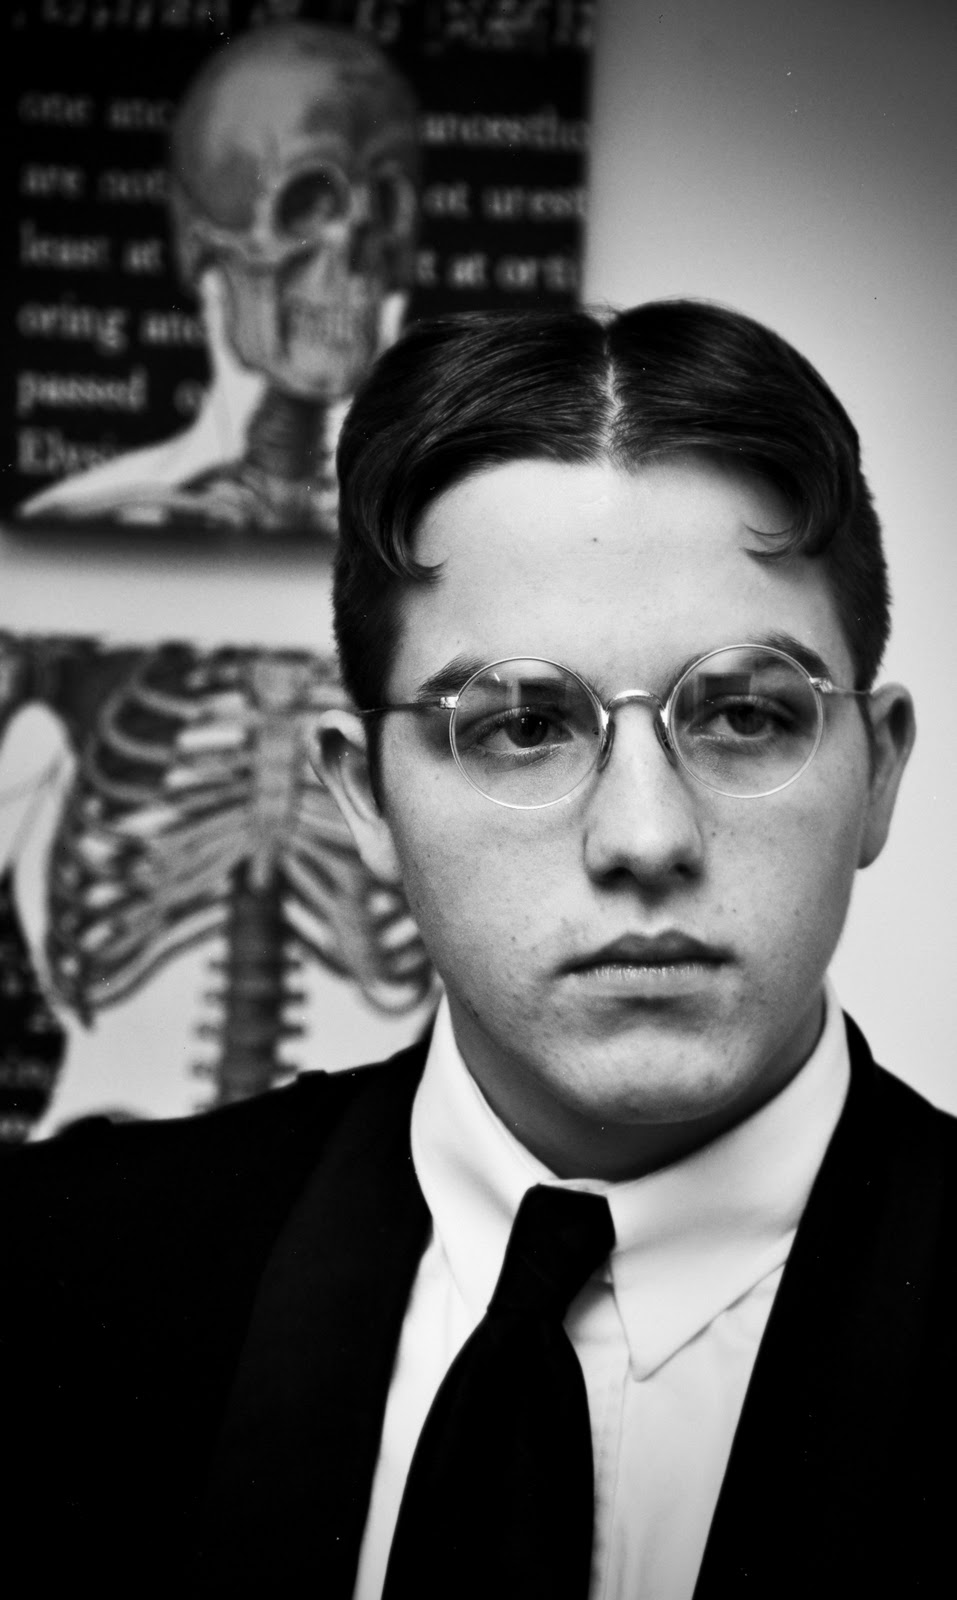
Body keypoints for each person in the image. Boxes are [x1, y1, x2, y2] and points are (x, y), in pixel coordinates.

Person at [2, 300, 953, 1600]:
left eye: (741, 715)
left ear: (878, 773)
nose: (644, 838)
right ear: (363, 797)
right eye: (519, 727)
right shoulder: (50, 1283)